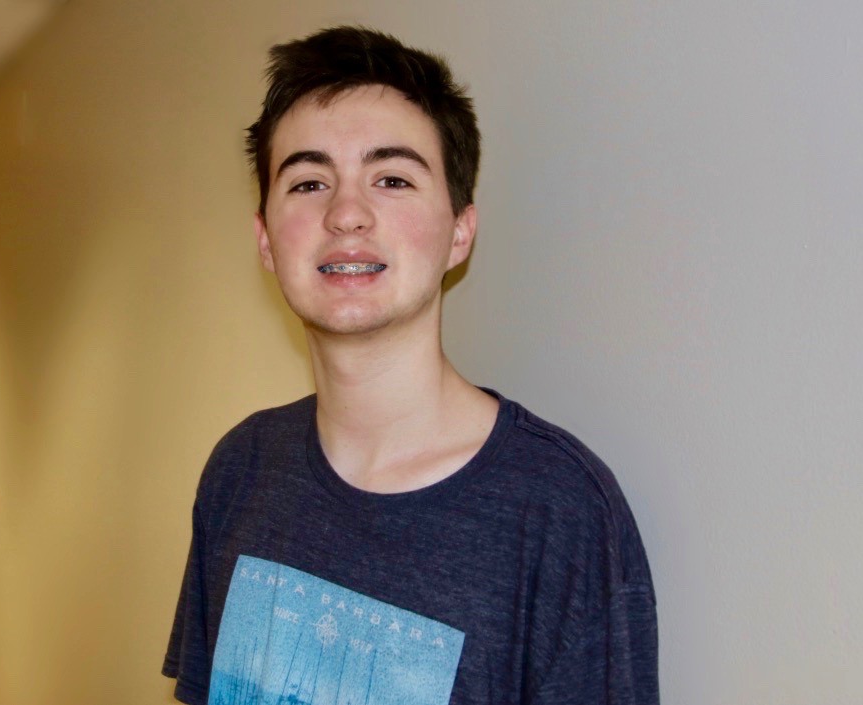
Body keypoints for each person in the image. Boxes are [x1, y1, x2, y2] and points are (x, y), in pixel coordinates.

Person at [163, 26, 658, 705]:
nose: (346, 214)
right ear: (266, 240)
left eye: (392, 179)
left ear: (460, 231)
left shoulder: (559, 511)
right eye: (308, 182)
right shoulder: (240, 468)